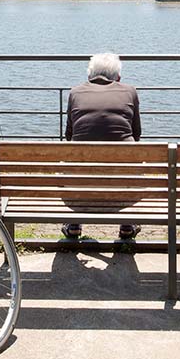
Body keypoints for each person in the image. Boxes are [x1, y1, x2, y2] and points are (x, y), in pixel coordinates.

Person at [62, 53, 142, 240]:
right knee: (127, 165)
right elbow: (136, 134)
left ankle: (74, 224)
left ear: (89, 76)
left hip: (81, 185)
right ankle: (127, 226)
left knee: (76, 163)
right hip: (122, 185)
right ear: (119, 78)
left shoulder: (75, 93)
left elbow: (69, 136)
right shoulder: (130, 92)